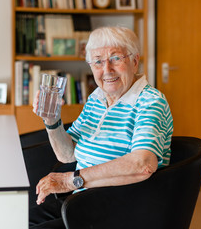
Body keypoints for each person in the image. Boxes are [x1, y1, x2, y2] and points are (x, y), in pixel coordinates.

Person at [30, 26, 173, 228]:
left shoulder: (150, 101)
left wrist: (73, 180)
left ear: (134, 60)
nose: (107, 70)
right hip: (81, 198)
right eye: (98, 61)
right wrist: (52, 121)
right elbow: (68, 155)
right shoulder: (97, 98)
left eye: (116, 58)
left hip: (122, 207)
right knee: (18, 220)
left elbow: (142, 165)